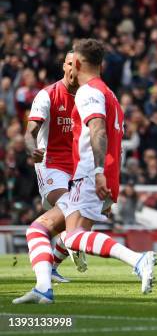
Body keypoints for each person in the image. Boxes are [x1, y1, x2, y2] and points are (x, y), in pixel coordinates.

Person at [15, 39, 157, 304]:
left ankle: (138, 260)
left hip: (89, 174)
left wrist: (100, 172)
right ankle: (44, 288)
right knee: (40, 229)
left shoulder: (87, 92)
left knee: (72, 235)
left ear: (77, 63)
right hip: (84, 172)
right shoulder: (109, 93)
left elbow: (99, 131)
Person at [13, 51, 87, 304]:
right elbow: (29, 131)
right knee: (70, 207)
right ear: (64, 66)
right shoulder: (47, 95)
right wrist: (31, 148)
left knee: (81, 212)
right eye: (71, 64)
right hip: (50, 163)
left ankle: (54, 262)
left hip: (76, 164)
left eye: (79, 65)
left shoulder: (88, 97)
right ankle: (71, 242)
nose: (75, 69)